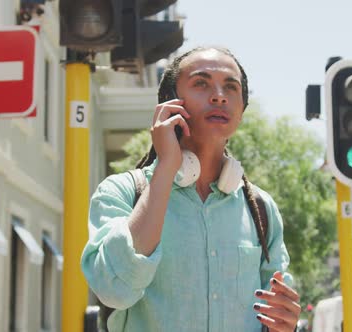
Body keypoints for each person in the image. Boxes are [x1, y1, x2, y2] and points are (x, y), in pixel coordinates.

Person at [81, 46, 301, 332]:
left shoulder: (261, 209)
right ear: (170, 104)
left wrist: (285, 321)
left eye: (231, 87)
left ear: (241, 111)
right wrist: (166, 168)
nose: (219, 95)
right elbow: (114, 291)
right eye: (201, 83)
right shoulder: (120, 192)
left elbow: (276, 319)